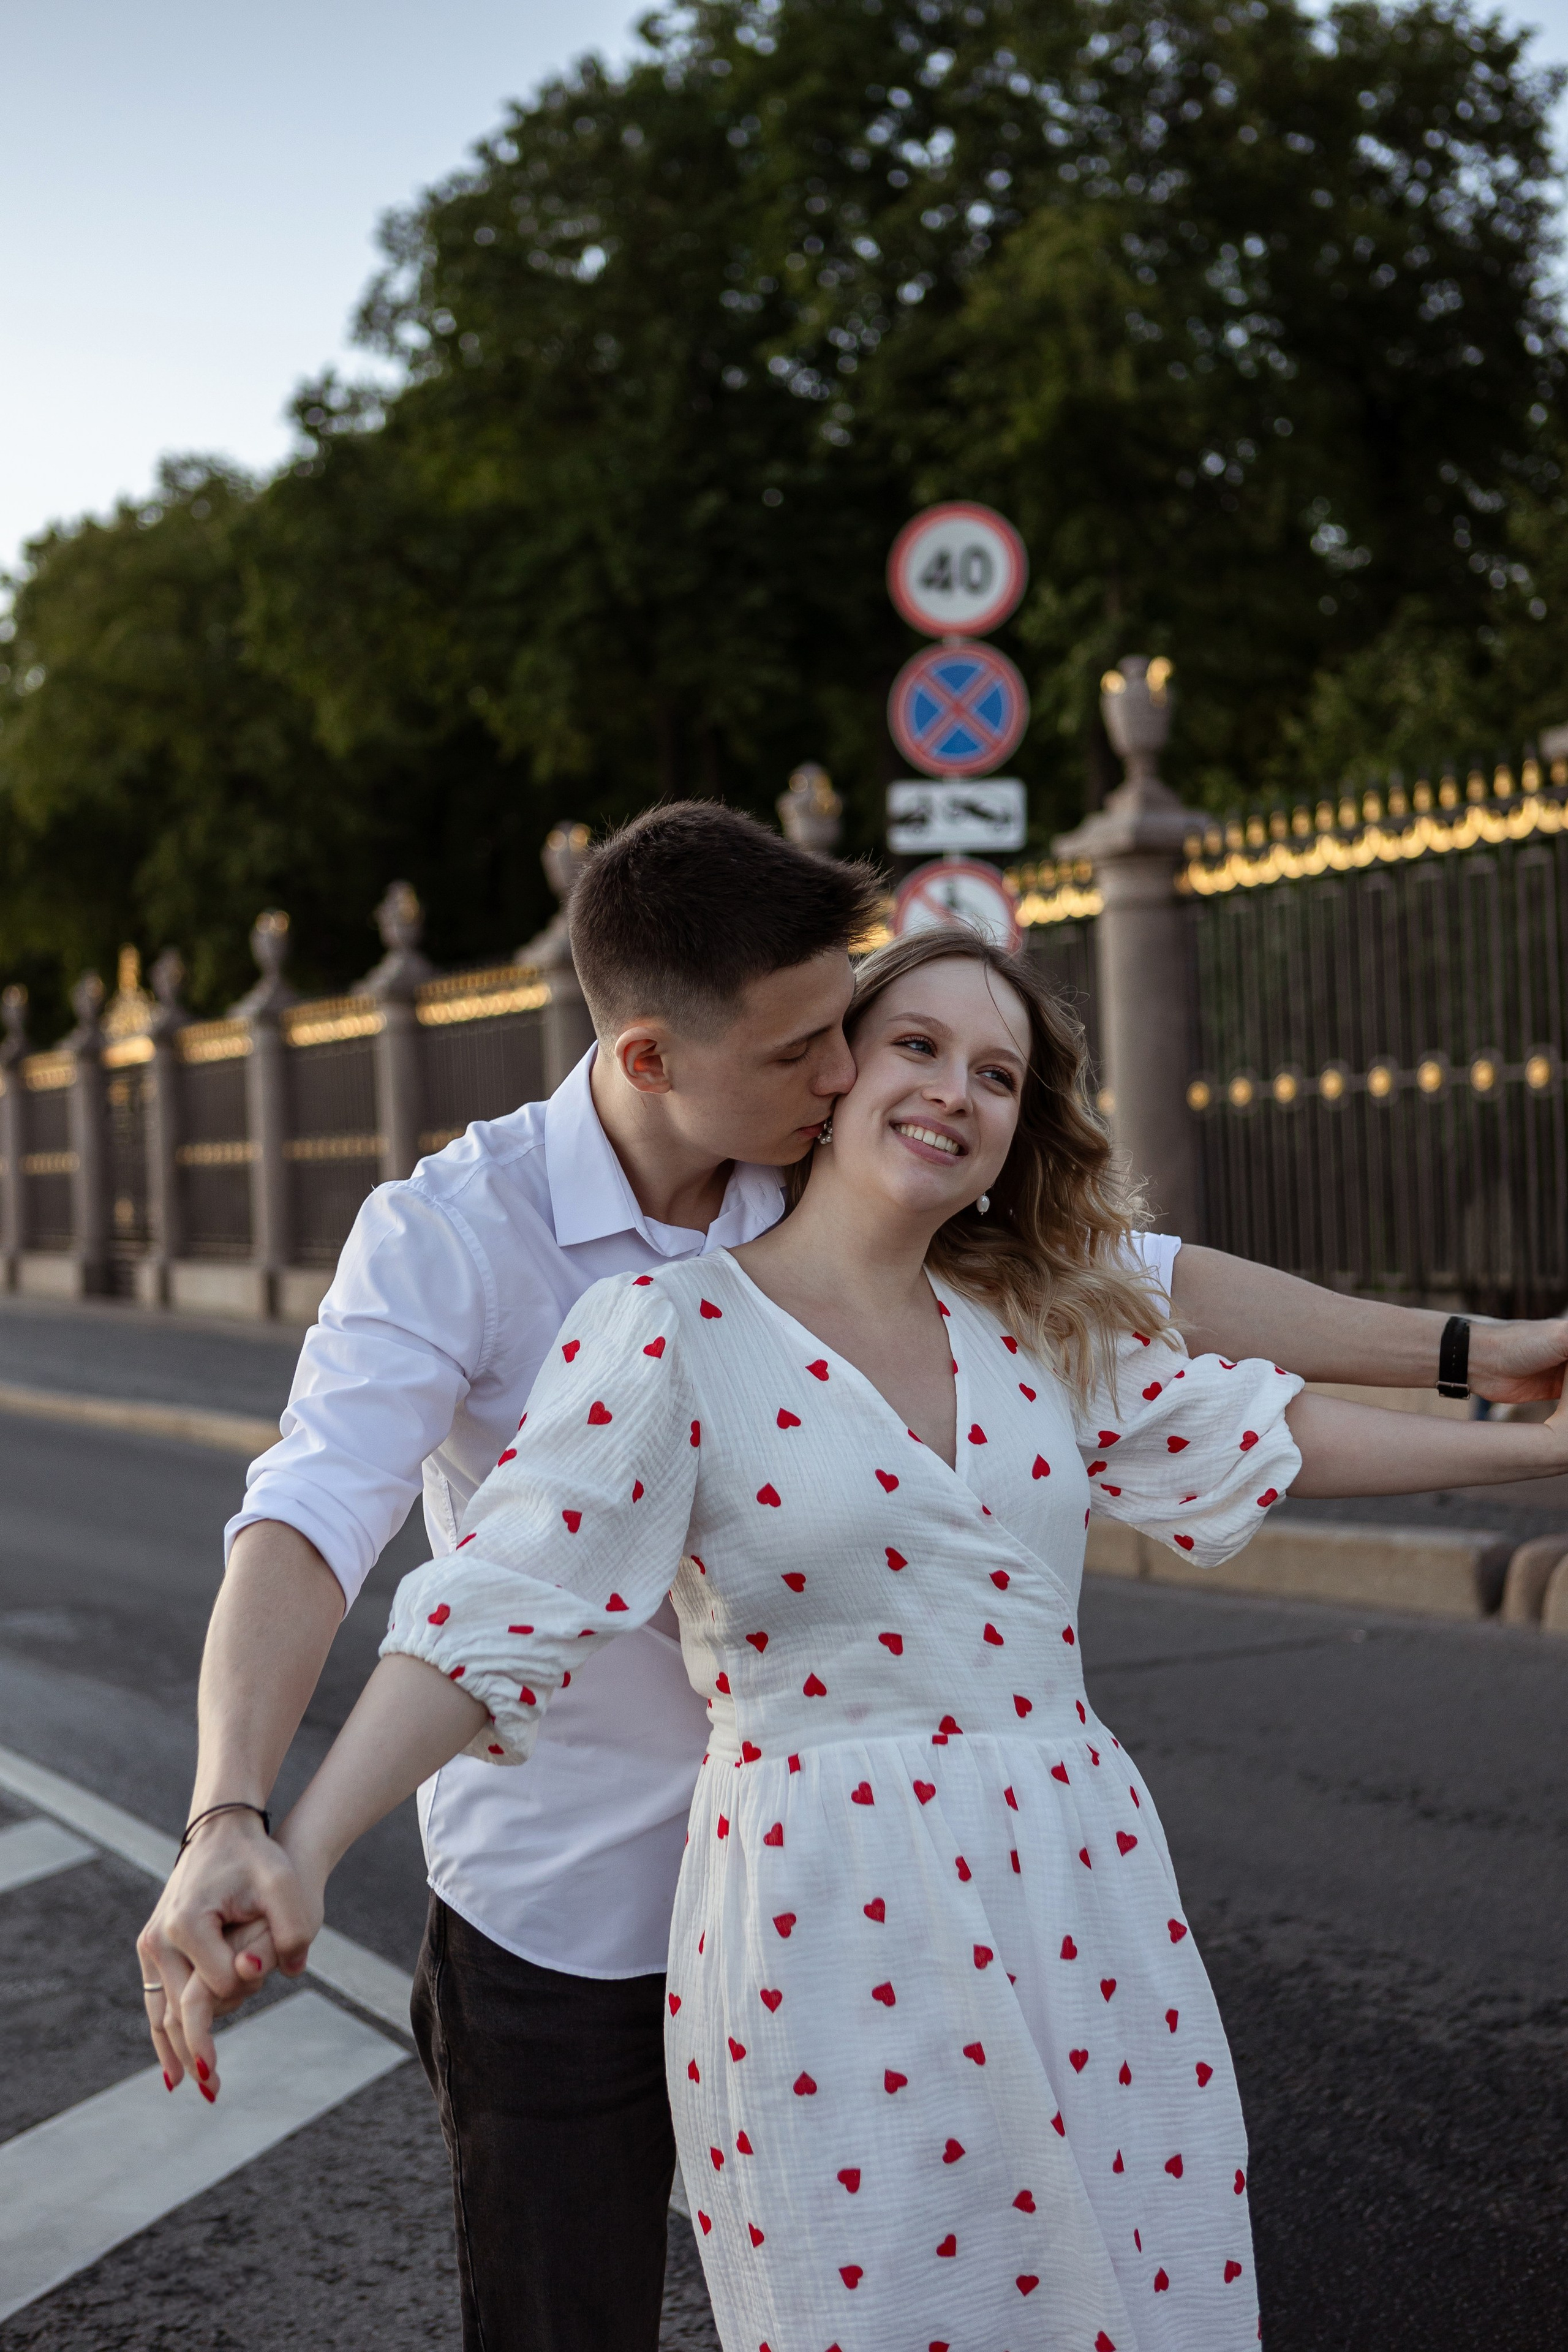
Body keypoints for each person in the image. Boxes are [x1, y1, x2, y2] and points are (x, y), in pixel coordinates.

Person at [137, 805, 1568, 2352]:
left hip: (1021, 1892)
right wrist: (250, 1822)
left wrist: (1486, 1368)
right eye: (824, 1049)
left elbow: (1157, 1316)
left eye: (870, 1036)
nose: (849, 1075)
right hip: (599, 1899)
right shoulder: (492, 1253)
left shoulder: (935, 1244)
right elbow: (369, 1550)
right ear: (649, 1062)